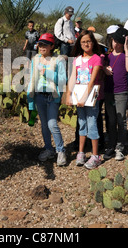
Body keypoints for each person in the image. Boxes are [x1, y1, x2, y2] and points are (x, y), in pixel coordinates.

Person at [27, 33, 67, 166]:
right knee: (44, 125)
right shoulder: (35, 59)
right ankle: (49, 149)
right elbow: (32, 80)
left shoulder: (58, 60)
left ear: (52, 46)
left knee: (52, 124)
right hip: (39, 96)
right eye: (40, 44)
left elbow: (63, 79)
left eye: (45, 44)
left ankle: (60, 150)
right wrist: (31, 101)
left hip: (52, 96)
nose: (41, 47)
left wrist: (47, 73)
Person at [66, 30, 103, 169]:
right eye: (83, 42)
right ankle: (81, 152)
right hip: (79, 96)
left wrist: (83, 97)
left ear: (93, 42)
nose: (86, 44)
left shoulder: (97, 59)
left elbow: (92, 81)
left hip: (91, 96)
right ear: (79, 44)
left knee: (92, 123)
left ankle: (95, 155)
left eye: (88, 41)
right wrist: (69, 95)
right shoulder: (77, 59)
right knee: (81, 124)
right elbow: (73, 78)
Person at [103, 27, 128, 161]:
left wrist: (127, 49)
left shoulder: (126, 55)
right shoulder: (107, 56)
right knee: (111, 120)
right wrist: (104, 69)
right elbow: (100, 67)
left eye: (119, 42)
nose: (116, 44)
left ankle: (120, 147)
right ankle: (111, 145)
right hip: (109, 92)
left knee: (121, 120)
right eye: (114, 40)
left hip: (121, 92)